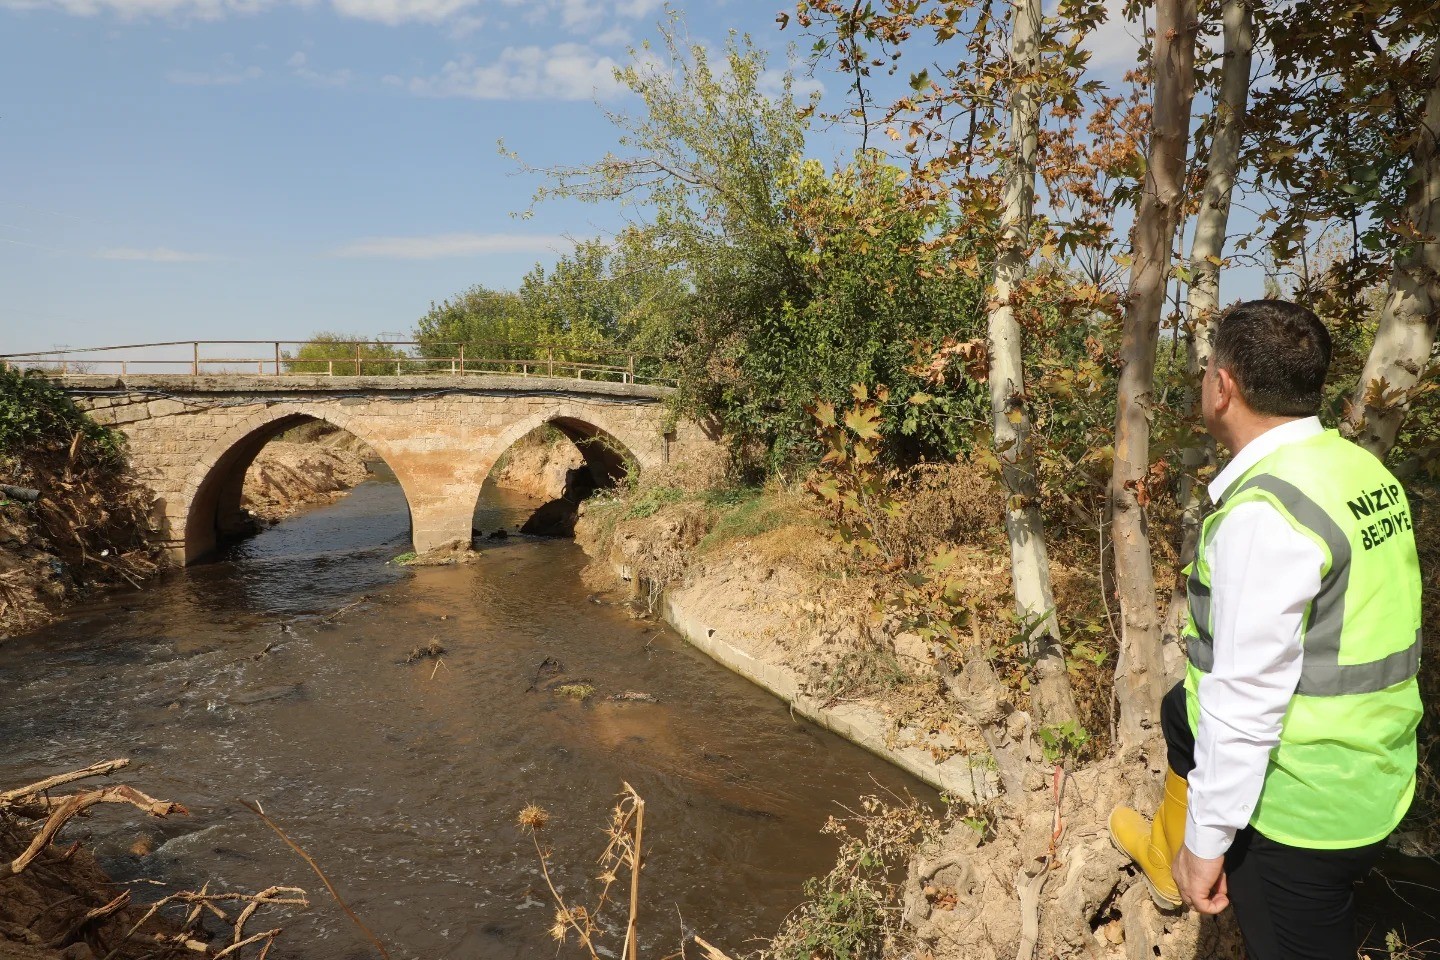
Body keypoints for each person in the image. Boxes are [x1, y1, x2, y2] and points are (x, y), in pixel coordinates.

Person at [1108, 299, 1424, 960]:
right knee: (1179, 712)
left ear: (1223, 387)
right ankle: (1165, 857)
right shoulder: (1358, 470)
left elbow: (1246, 706)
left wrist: (1207, 844)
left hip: (1299, 813)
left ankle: (1176, 864)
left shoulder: (1267, 515)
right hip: (1374, 770)